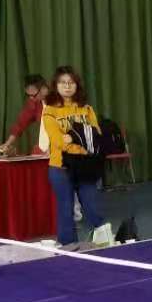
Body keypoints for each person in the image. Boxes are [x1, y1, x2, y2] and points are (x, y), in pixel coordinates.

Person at [41, 65, 107, 246]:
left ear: (77, 85)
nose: (67, 86)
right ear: (56, 86)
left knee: (92, 206)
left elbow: (96, 135)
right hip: (60, 167)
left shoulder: (86, 109)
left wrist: (73, 137)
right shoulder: (49, 111)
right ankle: (69, 245)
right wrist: (81, 141)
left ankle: (105, 239)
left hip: (86, 164)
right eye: (62, 82)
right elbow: (58, 141)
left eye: (71, 82)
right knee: (65, 209)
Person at [1, 74, 48, 156]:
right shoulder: (34, 103)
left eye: (34, 95)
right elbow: (20, 124)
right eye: (28, 95)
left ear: (44, 89)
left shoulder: (59, 100)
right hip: (44, 148)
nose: (31, 98)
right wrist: (7, 144)